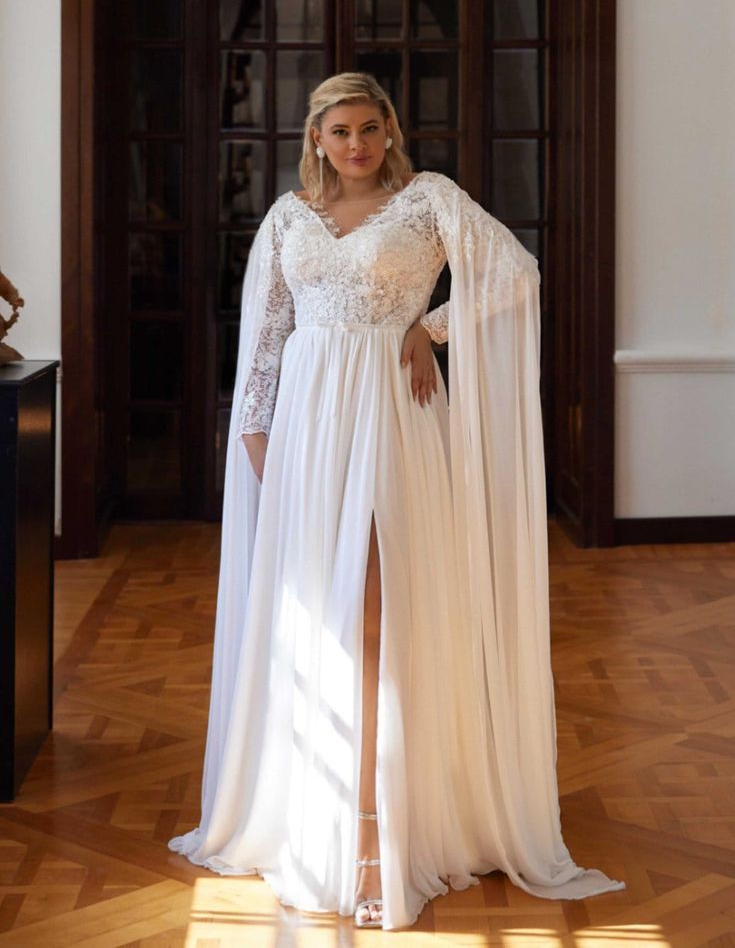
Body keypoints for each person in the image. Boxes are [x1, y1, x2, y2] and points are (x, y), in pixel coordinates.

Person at [168, 71, 625, 931]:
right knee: (317, 617)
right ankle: (322, 806)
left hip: (393, 417)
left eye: (369, 129)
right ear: (316, 138)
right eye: (339, 131)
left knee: (381, 609)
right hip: (305, 432)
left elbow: (512, 273)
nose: (356, 146)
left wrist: (429, 326)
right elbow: (266, 336)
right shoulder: (287, 218)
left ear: (388, 131)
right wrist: (257, 437)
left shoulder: (428, 201)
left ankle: (380, 828)